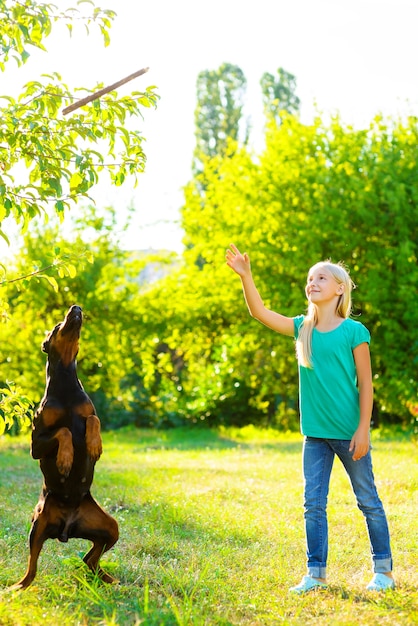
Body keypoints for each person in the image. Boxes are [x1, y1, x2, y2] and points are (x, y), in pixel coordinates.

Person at [225, 243, 394, 594]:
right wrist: (246, 276)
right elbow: (259, 312)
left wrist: (363, 429)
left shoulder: (354, 332)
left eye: (321, 277)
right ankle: (315, 574)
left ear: (339, 288)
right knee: (313, 505)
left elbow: (366, 385)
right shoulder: (302, 327)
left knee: (368, 501)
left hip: (350, 433)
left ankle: (384, 572)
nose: (312, 282)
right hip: (314, 435)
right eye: (310, 278)